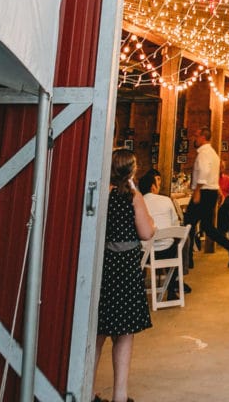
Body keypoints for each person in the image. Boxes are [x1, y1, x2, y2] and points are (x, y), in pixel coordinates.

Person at [93, 149, 154, 402]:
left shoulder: (101, 195)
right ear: (130, 171)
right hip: (126, 268)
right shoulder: (133, 197)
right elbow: (147, 232)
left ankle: (86, 389)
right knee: (124, 332)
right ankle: (120, 395)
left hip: (104, 266)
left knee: (99, 331)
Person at [190, 126, 229, 267]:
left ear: (203, 138)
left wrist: (197, 191)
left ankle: (187, 259)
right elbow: (214, 176)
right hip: (210, 192)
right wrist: (218, 191)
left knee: (189, 225)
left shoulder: (204, 154)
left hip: (203, 192)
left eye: (196, 136)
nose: (195, 138)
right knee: (207, 226)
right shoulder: (213, 154)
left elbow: (204, 173)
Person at [138, 168, 189, 297]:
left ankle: (138, 284)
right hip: (167, 252)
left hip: (147, 254)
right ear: (153, 187)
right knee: (179, 245)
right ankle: (172, 286)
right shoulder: (166, 200)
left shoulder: (139, 202)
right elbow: (175, 224)